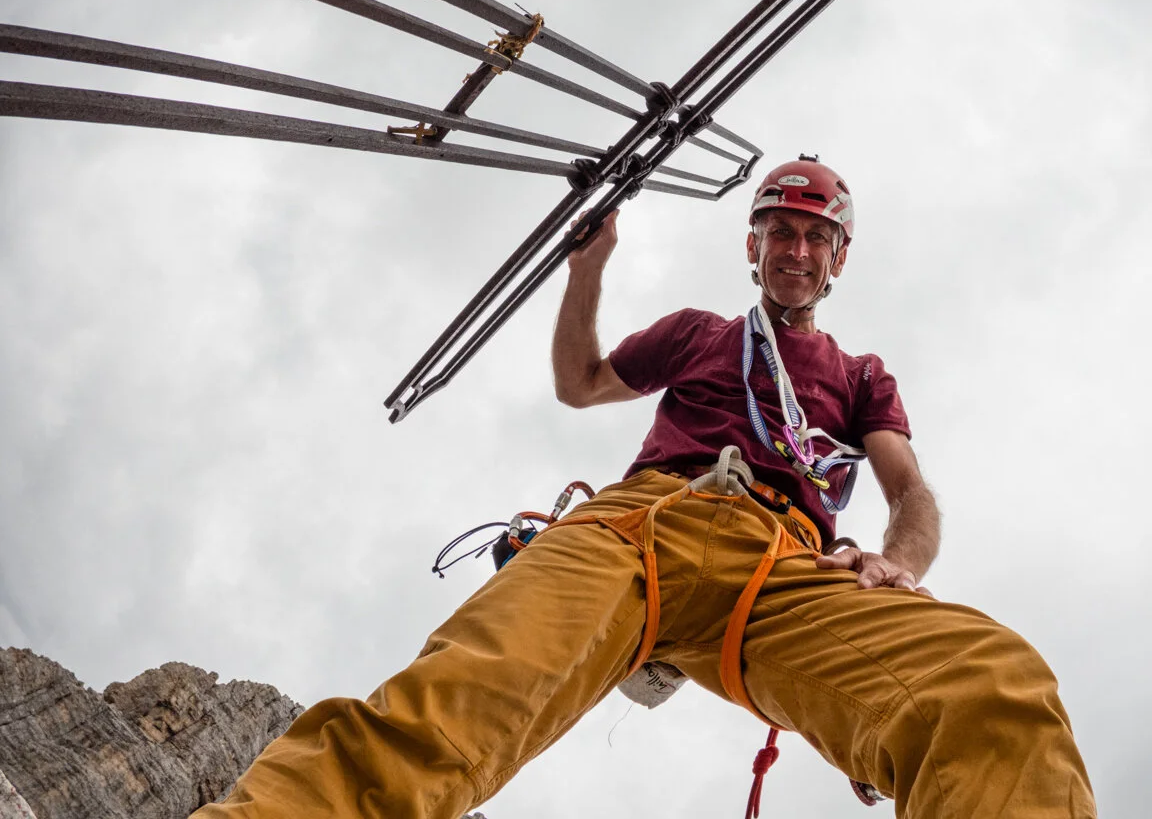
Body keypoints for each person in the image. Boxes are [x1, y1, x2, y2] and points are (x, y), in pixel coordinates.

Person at [196, 157, 1097, 819]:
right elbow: (580, 382)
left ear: (839, 260)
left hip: (783, 570)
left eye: (816, 237)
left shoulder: (860, 375)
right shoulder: (699, 332)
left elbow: (908, 490)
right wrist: (587, 267)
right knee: (456, 706)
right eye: (781, 230)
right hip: (641, 526)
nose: (796, 247)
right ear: (753, 246)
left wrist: (899, 563)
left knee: (992, 689)